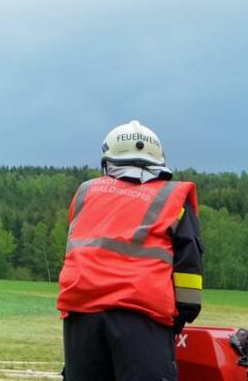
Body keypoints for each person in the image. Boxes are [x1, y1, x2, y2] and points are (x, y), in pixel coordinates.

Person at [58, 120, 204, 380]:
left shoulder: (86, 193)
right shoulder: (172, 197)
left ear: (108, 161)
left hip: (81, 317)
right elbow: (188, 265)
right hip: (142, 317)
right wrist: (182, 317)